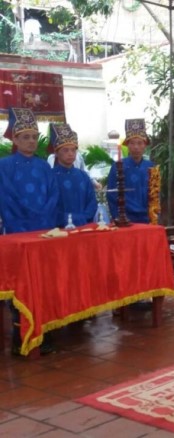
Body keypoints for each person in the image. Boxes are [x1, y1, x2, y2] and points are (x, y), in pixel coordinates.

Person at [0, 107, 58, 355]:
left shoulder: (44, 166)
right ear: (14, 139)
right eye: (26, 137)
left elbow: (53, 195)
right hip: (17, 233)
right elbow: (6, 198)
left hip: (43, 232)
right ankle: (19, 335)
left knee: (44, 281)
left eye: (34, 137)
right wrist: (24, 220)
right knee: (21, 283)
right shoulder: (4, 166)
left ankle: (43, 331)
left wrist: (43, 217)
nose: (32, 141)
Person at [107, 119, 155, 223]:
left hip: (147, 218)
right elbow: (112, 195)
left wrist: (153, 215)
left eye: (139, 143)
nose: (136, 147)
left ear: (145, 145)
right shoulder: (117, 167)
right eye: (132, 143)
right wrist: (117, 218)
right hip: (125, 219)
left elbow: (156, 194)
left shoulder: (151, 167)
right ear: (127, 145)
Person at [50, 123, 97, 228]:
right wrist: (68, 219)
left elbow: (92, 202)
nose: (70, 153)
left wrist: (82, 218)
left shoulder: (83, 176)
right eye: (66, 150)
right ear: (56, 153)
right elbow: (50, 206)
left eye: (73, 150)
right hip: (59, 229)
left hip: (84, 226)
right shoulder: (50, 177)